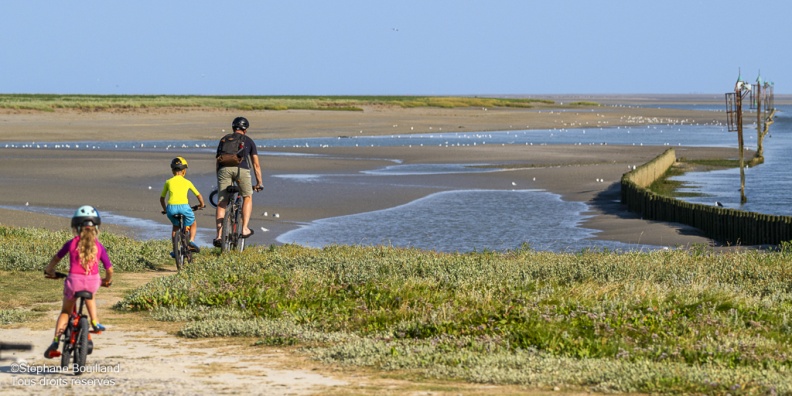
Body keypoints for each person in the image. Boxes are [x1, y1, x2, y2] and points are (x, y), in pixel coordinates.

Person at [43, 205, 113, 359]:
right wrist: (106, 280)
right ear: (96, 227)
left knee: (65, 312)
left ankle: (55, 342)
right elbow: (109, 269)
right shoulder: (99, 246)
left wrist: (49, 270)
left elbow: (56, 258)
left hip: (73, 282)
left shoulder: (72, 243)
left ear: (76, 226)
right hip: (93, 282)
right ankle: (94, 321)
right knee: (91, 295)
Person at [214, 116, 263, 247]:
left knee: (222, 202)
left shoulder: (224, 139)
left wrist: (219, 175)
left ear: (233, 128)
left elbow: (218, 159)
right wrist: (259, 183)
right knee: (247, 196)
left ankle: (219, 235)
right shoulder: (249, 141)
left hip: (223, 170)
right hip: (242, 170)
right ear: (245, 130)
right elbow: (256, 165)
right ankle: (245, 228)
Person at [160, 157, 206, 253]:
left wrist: (165, 210)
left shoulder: (168, 182)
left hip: (171, 208)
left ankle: (175, 250)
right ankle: (192, 241)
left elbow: (162, 198)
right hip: (184, 207)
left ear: (172, 170)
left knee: (175, 227)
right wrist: (201, 205)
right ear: (184, 171)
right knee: (193, 223)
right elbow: (199, 195)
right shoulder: (187, 182)